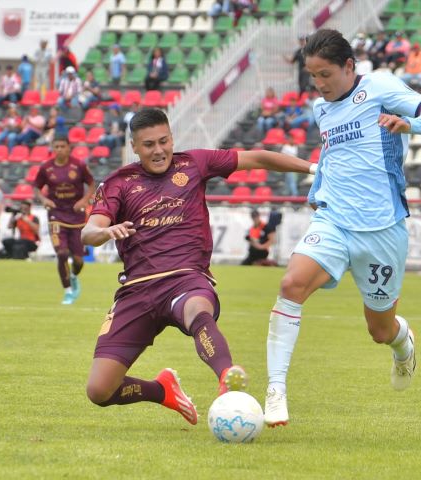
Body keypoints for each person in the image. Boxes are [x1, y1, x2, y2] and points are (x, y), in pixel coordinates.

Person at [80, 108, 315, 425]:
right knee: (99, 390)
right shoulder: (118, 183)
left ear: (172, 138)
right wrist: (104, 232)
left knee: (197, 311)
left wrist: (314, 168)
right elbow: (88, 231)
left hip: (186, 280)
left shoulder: (194, 163)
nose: (159, 150)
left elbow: (258, 158)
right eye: (149, 144)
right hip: (136, 290)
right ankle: (162, 390)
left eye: (164, 141)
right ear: (134, 146)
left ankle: (227, 379)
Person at [263, 29, 421, 427]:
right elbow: (334, 152)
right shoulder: (322, 108)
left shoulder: (381, 85)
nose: (319, 84)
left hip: (382, 228)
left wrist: (408, 125)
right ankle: (276, 389)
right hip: (334, 220)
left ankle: (403, 343)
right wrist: (318, 186)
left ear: (349, 66)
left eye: (326, 74)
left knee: (379, 329)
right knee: (291, 285)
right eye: (313, 76)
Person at [34, 135, 95, 305]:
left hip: (76, 215)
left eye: (62, 146)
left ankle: (73, 276)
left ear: (69, 147)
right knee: (61, 253)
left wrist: (84, 201)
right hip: (56, 215)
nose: (59, 149)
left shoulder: (79, 165)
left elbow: (91, 184)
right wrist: (44, 200)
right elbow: (37, 188)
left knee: (78, 260)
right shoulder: (46, 168)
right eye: (56, 146)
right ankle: (68, 291)